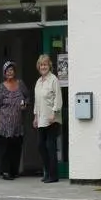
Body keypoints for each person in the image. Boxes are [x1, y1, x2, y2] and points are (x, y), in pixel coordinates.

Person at [0, 61, 29, 180]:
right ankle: (6, 172)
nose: (10, 72)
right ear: (4, 73)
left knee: (16, 148)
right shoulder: (1, 87)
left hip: (17, 124)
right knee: (5, 149)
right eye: (8, 70)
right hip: (4, 124)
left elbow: (27, 97)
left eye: (12, 70)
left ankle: (14, 171)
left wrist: (25, 105)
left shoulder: (20, 84)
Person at [33, 54, 63, 183]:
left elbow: (58, 97)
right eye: (41, 65)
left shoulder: (53, 79)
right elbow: (37, 101)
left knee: (50, 146)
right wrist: (35, 117)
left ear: (49, 65)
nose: (43, 67)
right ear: (38, 67)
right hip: (41, 119)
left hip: (52, 118)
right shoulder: (39, 82)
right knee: (41, 145)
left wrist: (54, 113)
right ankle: (47, 172)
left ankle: (53, 175)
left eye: (45, 64)